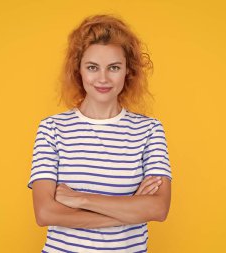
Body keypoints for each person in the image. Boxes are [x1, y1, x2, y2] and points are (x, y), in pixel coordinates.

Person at [27, 14, 172, 253]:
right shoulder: (52, 129)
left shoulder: (149, 130)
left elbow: (158, 209)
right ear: (79, 70)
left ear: (128, 71)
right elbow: (45, 213)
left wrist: (80, 199)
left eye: (114, 67)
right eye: (92, 67)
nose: (103, 78)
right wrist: (130, 209)